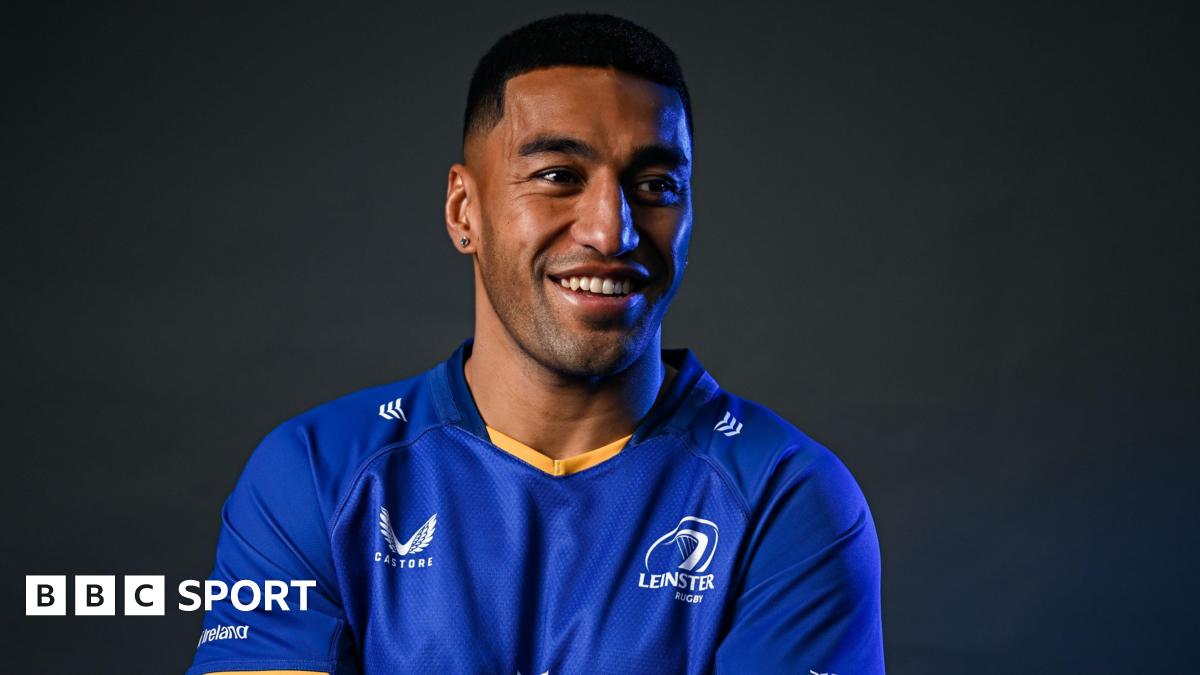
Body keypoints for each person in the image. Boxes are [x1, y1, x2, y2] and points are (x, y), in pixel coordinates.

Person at [189, 12, 883, 675]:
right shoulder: (315, 474)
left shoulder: (787, 496)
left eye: (655, 185)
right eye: (558, 177)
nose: (612, 232)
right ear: (466, 211)